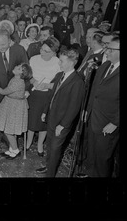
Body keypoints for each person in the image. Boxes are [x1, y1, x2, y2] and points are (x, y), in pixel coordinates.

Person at [36, 49, 85, 177]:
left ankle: (50, 174)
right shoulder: (59, 76)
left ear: (72, 62)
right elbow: (51, 96)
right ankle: (48, 166)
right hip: (52, 117)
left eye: (62, 61)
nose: (59, 63)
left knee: (55, 149)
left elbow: (74, 107)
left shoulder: (77, 82)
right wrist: (45, 111)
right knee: (49, 146)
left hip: (62, 123)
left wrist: (63, 125)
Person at [0, 30, 28, 151]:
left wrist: (26, 89)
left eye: (3, 44)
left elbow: (25, 70)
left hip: (13, 92)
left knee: (9, 117)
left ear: (10, 42)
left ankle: (7, 138)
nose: (0, 47)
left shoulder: (19, 50)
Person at [85, 36, 120, 177]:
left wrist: (115, 123)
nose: (106, 51)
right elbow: (94, 91)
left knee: (102, 161)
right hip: (94, 118)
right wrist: (87, 111)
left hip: (108, 124)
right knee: (91, 155)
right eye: (106, 47)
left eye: (111, 49)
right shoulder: (105, 66)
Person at [26, 37, 61, 156]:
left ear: (53, 52)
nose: (42, 52)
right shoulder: (34, 59)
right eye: (42, 49)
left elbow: (59, 82)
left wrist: (47, 85)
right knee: (31, 118)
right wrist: (34, 81)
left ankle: (40, 143)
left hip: (48, 94)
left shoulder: (57, 62)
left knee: (43, 121)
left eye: (46, 51)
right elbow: (28, 75)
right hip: (34, 93)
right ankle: (28, 141)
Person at [0, 63, 32, 159]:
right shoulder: (15, 79)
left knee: (8, 131)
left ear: (22, 74)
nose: (15, 67)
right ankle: (11, 149)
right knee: (12, 129)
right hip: (11, 104)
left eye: (19, 68)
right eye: (17, 66)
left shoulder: (17, 82)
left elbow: (3, 92)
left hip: (14, 107)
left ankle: (15, 150)